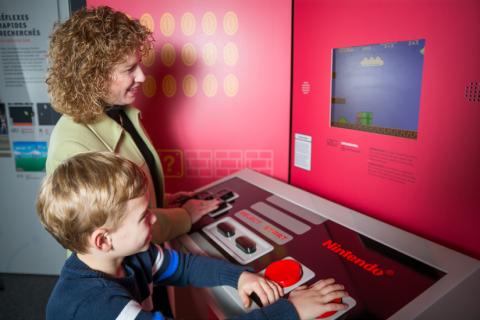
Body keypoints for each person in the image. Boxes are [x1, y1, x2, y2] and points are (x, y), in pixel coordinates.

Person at [36, 152, 349, 320]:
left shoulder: (131, 255)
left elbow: (184, 267)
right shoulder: (96, 306)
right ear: (104, 240)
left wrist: (239, 276)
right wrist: (289, 311)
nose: (155, 217)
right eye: (143, 215)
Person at [45, 6, 215, 247]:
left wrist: (161, 200)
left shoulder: (121, 114)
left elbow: (123, 200)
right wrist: (185, 216)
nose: (142, 77)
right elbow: (119, 229)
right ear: (93, 76)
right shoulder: (71, 145)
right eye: (129, 69)